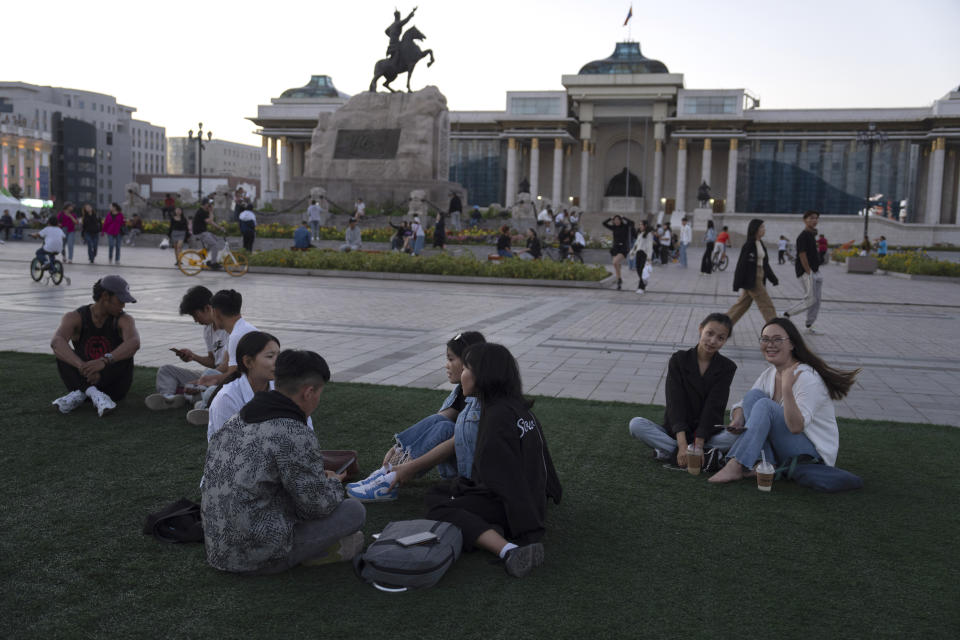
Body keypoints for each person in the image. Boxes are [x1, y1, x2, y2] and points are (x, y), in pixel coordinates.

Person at [201, 349, 366, 575]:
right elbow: (316, 506)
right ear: (309, 392)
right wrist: (334, 483)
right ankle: (318, 553)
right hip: (258, 557)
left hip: (217, 547)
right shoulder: (294, 433)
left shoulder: (237, 419)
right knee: (354, 511)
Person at [424, 343, 562, 578]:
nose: (462, 375)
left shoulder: (496, 418)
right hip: (533, 499)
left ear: (483, 375)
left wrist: (528, 529)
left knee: (438, 507)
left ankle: (508, 550)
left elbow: (503, 482)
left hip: (516, 508)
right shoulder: (517, 407)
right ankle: (493, 531)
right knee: (440, 491)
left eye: (467, 368)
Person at [709, 318, 860, 484]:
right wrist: (738, 419)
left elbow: (796, 427)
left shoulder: (807, 378)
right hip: (782, 448)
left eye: (777, 339)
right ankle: (764, 462)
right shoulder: (770, 373)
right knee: (754, 396)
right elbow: (741, 404)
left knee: (765, 406)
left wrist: (787, 389)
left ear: (792, 344)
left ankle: (736, 464)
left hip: (809, 455)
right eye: (765, 339)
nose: (770, 344)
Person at [347, 332, 487, 502]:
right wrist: (398, 447)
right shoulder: (463, 391)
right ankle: (388, 471)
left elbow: (454, 442)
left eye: (451, 360)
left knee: (446, 428)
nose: (446, 366)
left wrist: (410, 468)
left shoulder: (483, 401)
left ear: (471, 363)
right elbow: (436, 420)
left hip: (476, 476)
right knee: (440, 422)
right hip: (465, 465)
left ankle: (391, 480)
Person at [629, 313, 738, 465]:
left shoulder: (727, 367)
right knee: (636, 424)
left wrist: (698, 444)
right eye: (709, 333)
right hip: (676, 432)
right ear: (701, 329)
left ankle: (670, 453)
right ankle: (703, 456)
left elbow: (713, 407)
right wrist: (681, 445)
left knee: (737, 436)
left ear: (725, 340)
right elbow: (675, 403)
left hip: (707, 434)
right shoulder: (679, 359)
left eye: (720, 338)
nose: (713, 341)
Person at [50, 276, 140, 416]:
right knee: (62, 353)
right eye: (120, 300)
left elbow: (134, 342)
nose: (123, 305)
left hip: (113, 387)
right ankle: (93, 393)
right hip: (84, 377)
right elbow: (57, 342)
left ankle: (83, 393)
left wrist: (104, 361)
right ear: (105, 296)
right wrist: (82, 367)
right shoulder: (75, 317)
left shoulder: (124, 319)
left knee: (125, 352)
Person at [204, 331, 309, 442]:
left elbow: (304, 428)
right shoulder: (227, 399)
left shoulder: (283, 388)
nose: (278, 362)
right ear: (248, 362)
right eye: (270, 356)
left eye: (279, 355)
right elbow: (227, 449)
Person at [145, 286, 229, 412]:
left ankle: (191, 397)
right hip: (212, 375)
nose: (195, 320)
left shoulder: (230, 329)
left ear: (207, 308)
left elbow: (227, 367)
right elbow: (213, 361)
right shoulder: (208, 330)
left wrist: (202, 381)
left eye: (195, 315)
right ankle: (169, 397)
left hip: (225, 378)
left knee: (209, 386)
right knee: (166, 370)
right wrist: (193, 356)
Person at [187, 289, 259, 424]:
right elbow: (231, 371)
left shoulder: (237, 335)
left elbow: (233, 377)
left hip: (253, 394)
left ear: (216, 312)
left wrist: (213, 380)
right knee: (209, 383)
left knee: (211, 393)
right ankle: (207, 407)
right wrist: (211, 378)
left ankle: (211, 410)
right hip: (255, 388)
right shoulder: (242, 329)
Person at [727, 218, 779, 325]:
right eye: (762, 227)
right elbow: (741, 265)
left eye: (764, 227)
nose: (764, 229)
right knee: (766, 304)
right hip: (753, 279)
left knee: (742, 305)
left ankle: (723, 325)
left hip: (759, 275)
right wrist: (737, 283)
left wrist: (772, 278)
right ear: (755, 229)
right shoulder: (749, 245)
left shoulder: (760, 243)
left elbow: (765, 264)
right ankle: (775, 329)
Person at [782, 211, 823, 333]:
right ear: (805, 220)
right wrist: (808, 271)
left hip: (815, 271)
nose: (814, 220)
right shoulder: (803, 236)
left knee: (816, 301)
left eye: (816, 218)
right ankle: (787, 314)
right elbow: (802, 255)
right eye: (811, 218)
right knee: (810, 299)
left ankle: (809, 325)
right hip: (807, 272)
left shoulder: (811, 235)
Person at [603, 215, 633, 290]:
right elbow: (604, 223)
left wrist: (624, 217)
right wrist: (610, 218)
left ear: (620, 220)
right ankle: (619, 280)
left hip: (623, 248)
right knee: (616, 266)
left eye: (618, 220)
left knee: (615, 262)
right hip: (615, 248)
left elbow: (632, 223)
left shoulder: (625, 226)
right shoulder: (614, 227)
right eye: (615, 220)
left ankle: (619, 280)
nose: (616, 221)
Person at [192, 201, 224, 269]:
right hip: (200, 233)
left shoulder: (203, 211)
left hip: (203, 232)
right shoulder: (201, 212)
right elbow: (210, 221)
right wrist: (211, 211)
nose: (209, 206)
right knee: (215, 245)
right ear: (204, 205)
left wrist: (219, 228)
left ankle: (203, 254)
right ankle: (213, 263)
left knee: (215, 239)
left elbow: (211, 222)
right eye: (208, 205)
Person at [628, 221, 654, 294]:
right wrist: (632, 252)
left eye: (641, 225)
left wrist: (649, 258)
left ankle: (641, 287)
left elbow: (649, 247)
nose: (640, 226)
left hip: (644, 254)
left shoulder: (649, 234)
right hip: (638, 253)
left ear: (645, 225)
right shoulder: (640, 234)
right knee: (638, 270)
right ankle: (644, 281)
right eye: (639, 225)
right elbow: (636, 244)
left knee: (642, 271)